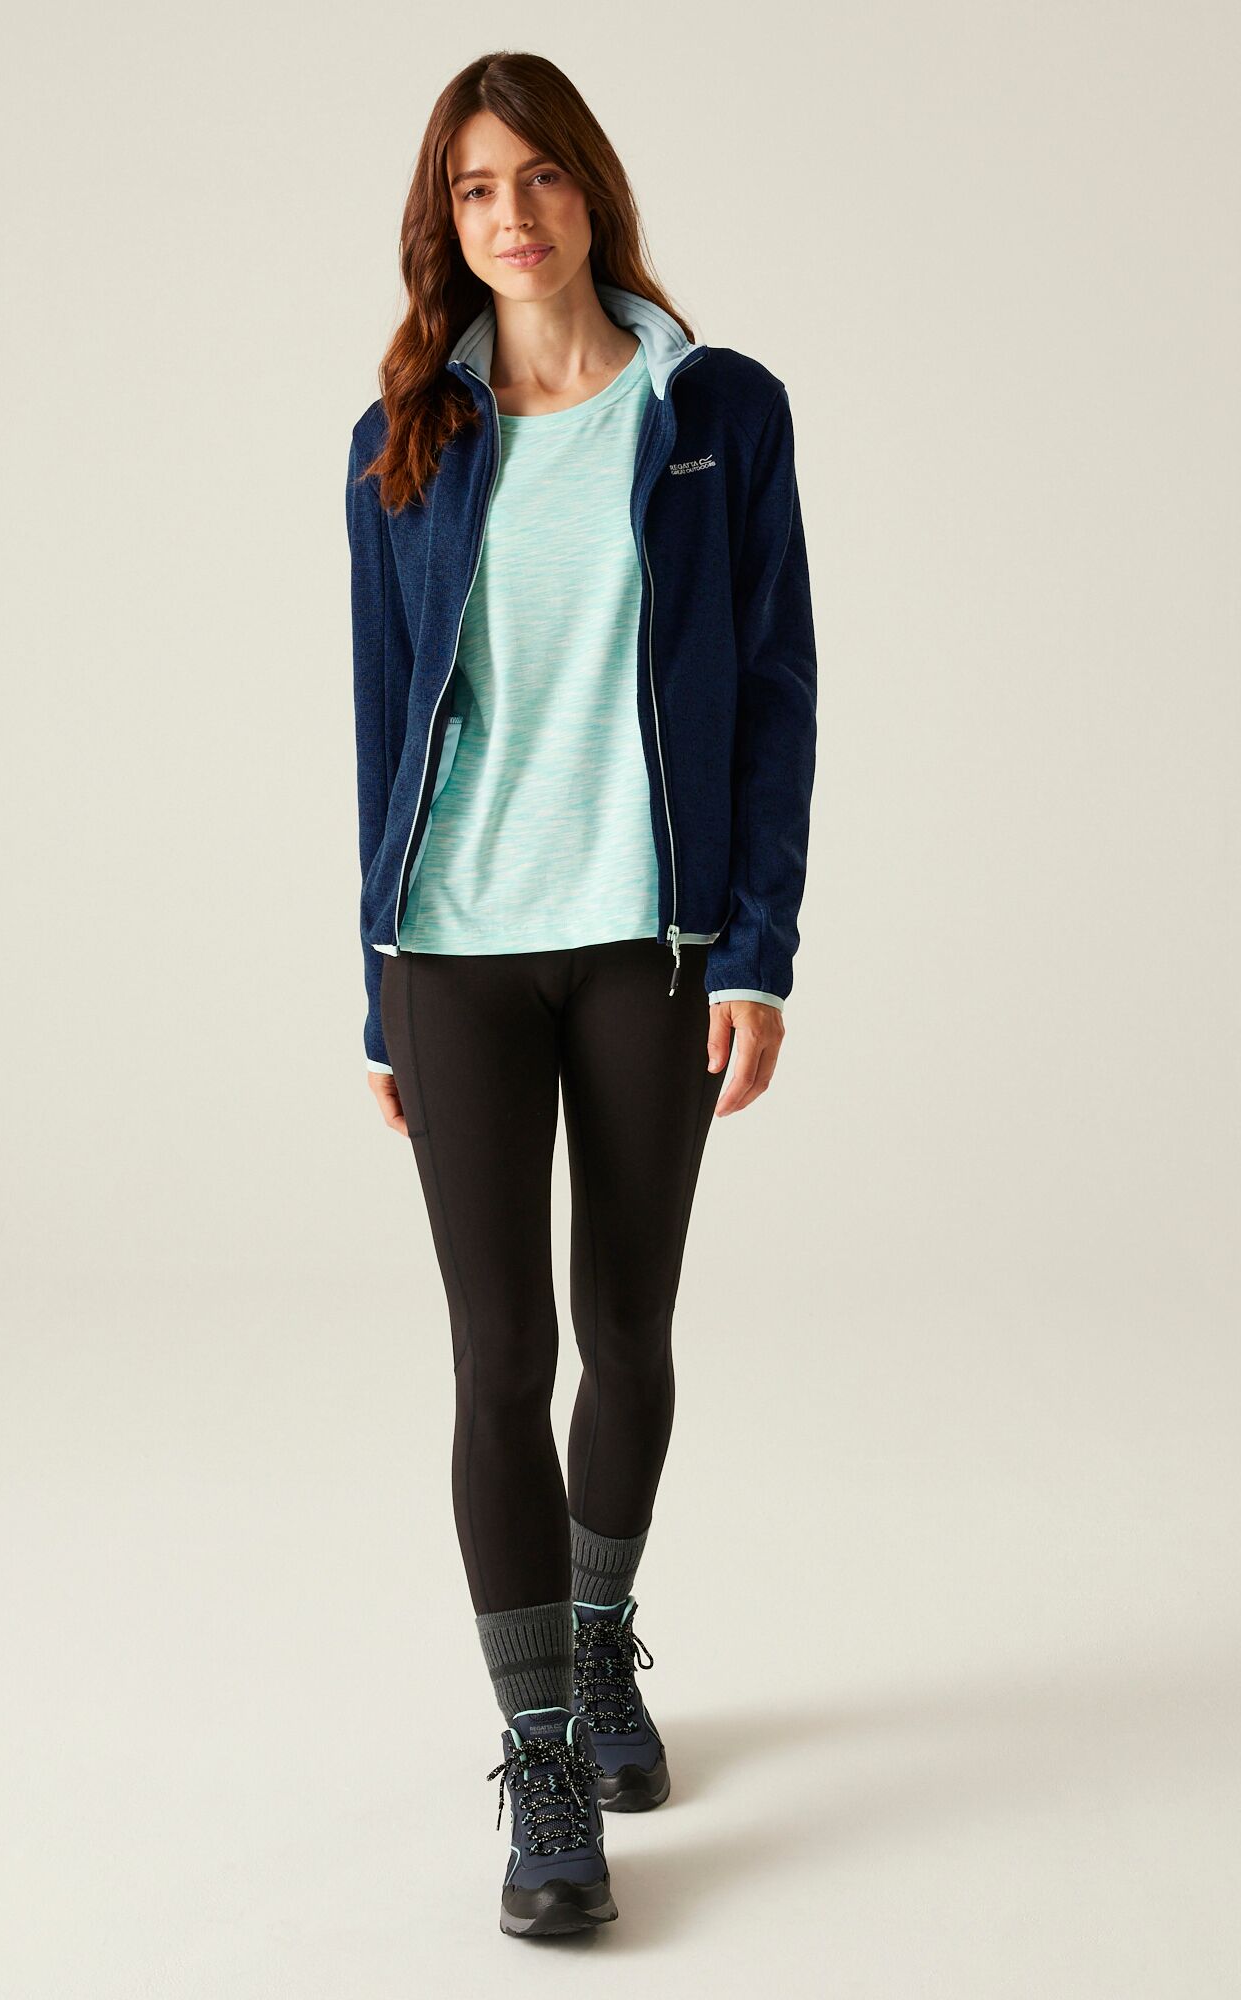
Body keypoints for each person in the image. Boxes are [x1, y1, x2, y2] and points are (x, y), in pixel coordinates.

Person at [346, 50, 818, 1939]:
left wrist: (760, 946)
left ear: (591, 191)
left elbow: (777, 686)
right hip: (456, 946)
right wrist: (375, 986)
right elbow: (381, 720)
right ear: (444, 222)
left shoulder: (717, 412)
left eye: (537, 176)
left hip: (649, 938)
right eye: (475, 188)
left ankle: (602, 1633)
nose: (512, 215)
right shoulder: (405, 438)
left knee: (627, 1328)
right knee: (499, 1357)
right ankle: (544, 1763)